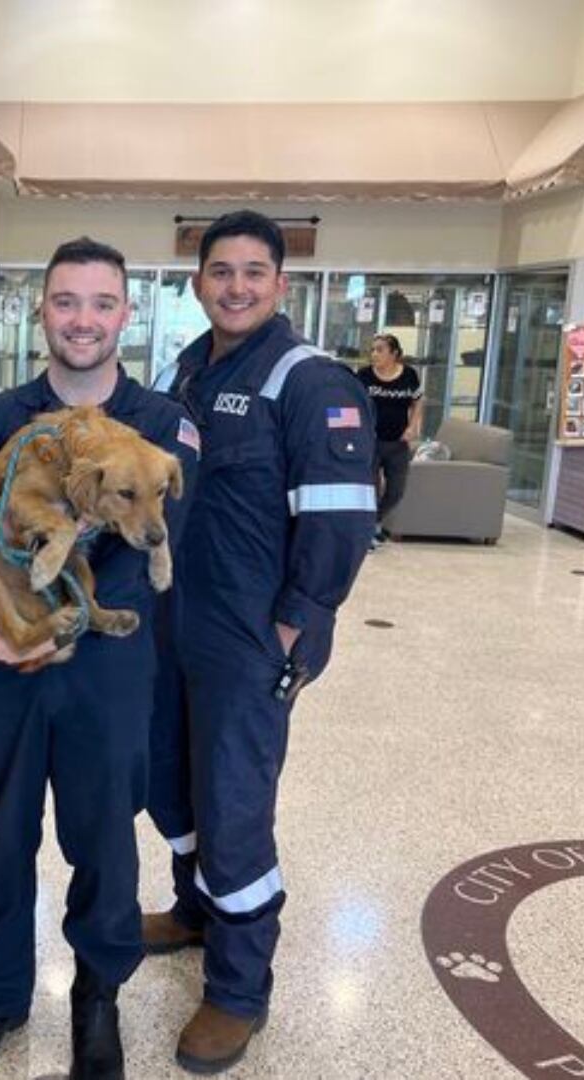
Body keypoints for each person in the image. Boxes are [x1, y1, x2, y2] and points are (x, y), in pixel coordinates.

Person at [0, 237, 198, 1080]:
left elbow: (156, 551)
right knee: (3, 834)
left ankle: (97, 1000)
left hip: (108, 667)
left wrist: (62, 632)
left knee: (104, 838)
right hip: (5, 660)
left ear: (125, 314)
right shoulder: (0, 419)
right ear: (42, 311)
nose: (82, 319)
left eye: (101, 303)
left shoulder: (160, 426)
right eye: (66, 301)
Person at [143, 210, 377, 1073]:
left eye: (253, 272)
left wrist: (293, 624)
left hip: (250, 637)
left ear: (281, 283)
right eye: (220, 271)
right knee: (168, 778)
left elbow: (341, 520)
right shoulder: (186, 369)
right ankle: (194, 910)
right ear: (197, 282)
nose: (235, 286)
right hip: (175, 622)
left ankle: (239, 989)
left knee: (233, 803)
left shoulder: (309, 380)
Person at [356, 333, 423, 548]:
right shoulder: (364, 375)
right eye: (373, 350)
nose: (374, 354)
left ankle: (375, 522)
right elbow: (353, 403)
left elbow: (417, 401)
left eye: (380, 350)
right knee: (370, 490)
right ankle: (368, 532)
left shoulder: (409, 375)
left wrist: (413, 426)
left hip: (398, 443)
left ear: (394, 353)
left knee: (396, 491)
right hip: (370, 441)